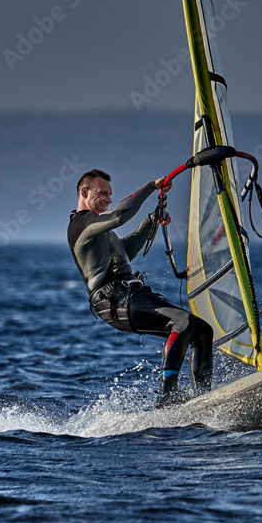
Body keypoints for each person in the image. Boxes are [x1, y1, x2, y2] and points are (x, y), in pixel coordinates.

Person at [68, 168, 213, 407]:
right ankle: (167, 398)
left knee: (202, 331)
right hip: (114, 299)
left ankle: (203, 397)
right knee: (182, 323)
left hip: (130, 294)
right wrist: (151, 187)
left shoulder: (98, 227)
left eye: (110, 194)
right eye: (103, 193)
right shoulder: (81, 224)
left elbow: (126, 251)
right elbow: (119, 216)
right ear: (84, 192)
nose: (109, 199)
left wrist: (151, 221)